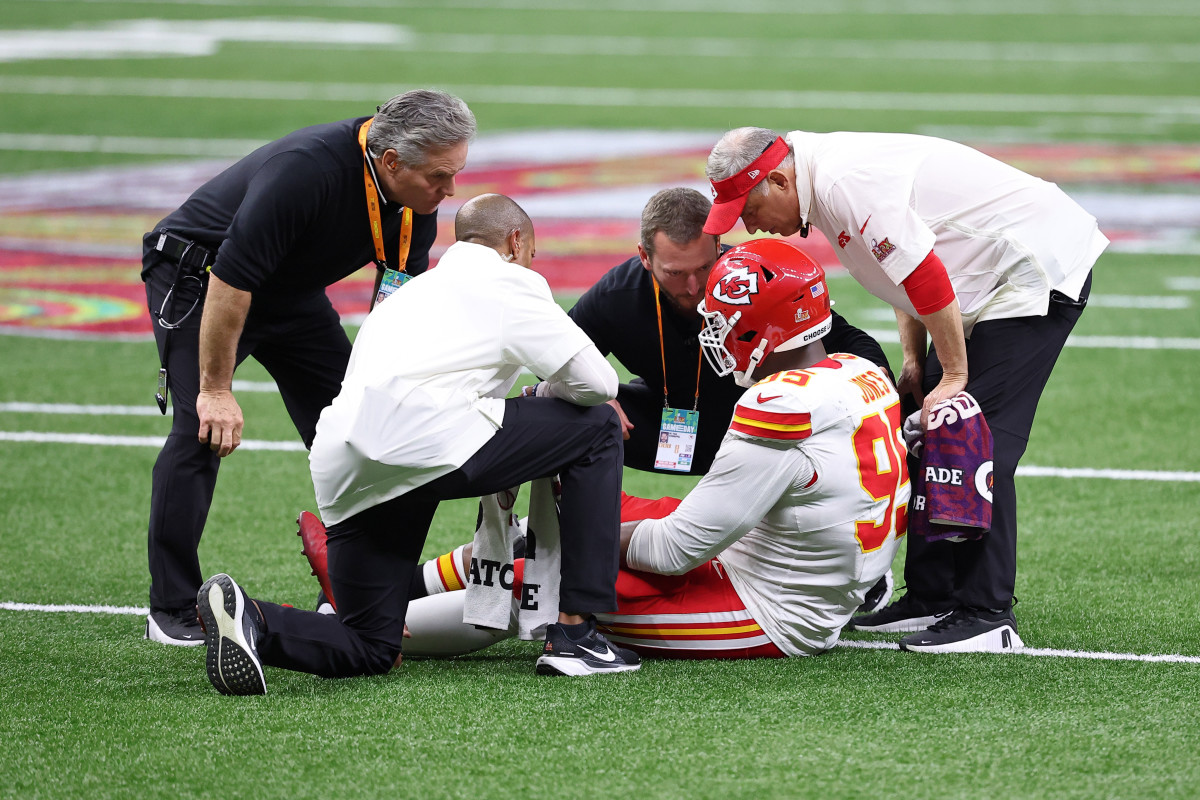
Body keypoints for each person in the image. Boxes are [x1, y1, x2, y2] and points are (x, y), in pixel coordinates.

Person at [301, 239, 909, 661]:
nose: (713, 328)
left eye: (726, 318)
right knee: (617, 513)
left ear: (765, 326)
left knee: (536, 584)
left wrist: (567, 540)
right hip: (786, 559)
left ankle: (355, 620)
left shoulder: (781, 403)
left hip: (770, 609)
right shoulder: (857, 367)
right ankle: (404, 581)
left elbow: (673, 551)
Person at [196, 194, 640, 695]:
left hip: (345, 462)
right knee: (598, 425)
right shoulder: (511, 280)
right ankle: (577, 634)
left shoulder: (406, 294)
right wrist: (544, 393)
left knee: (371, 644)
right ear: (516, 243)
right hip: (432, 441)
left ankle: (254, 619)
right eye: (531, 252)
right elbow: (599, 383)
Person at [703, 127, 1106, 653]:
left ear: (779, 180)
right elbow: (899, 270)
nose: (749, 226)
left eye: (747, 210)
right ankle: (934, 594)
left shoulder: (846, 181)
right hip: (979, 279)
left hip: (1031, 268)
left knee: (973, 428)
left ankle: (987, 612)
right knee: (922, 416)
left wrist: (956, 379)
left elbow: (921, 269)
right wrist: (916, 360)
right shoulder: (820, 179)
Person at [141, 90, 475, 646]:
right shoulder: (305, 171)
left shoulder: (416, 201)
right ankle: (171, 608)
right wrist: (215, 389)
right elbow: (233, 278)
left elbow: (397, 309)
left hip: (289, 292)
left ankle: (353, 588)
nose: (450, 192)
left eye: (456, 173)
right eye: (440, 176)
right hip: (203, 279)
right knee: (200, 431)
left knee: (361, 429)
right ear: (392, 161)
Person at [568, 187, 892, 476]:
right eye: (676, 273)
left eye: (703, 268)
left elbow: (849, 340)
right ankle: (572, 537)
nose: (693, 287)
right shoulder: (617, 295)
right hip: (667, 421)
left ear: (719, 246)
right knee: (563, 408)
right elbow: (558, 355)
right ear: (645, 257)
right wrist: (595, 399)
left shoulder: (751, 275)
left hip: (762, 425)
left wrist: (878, 385)